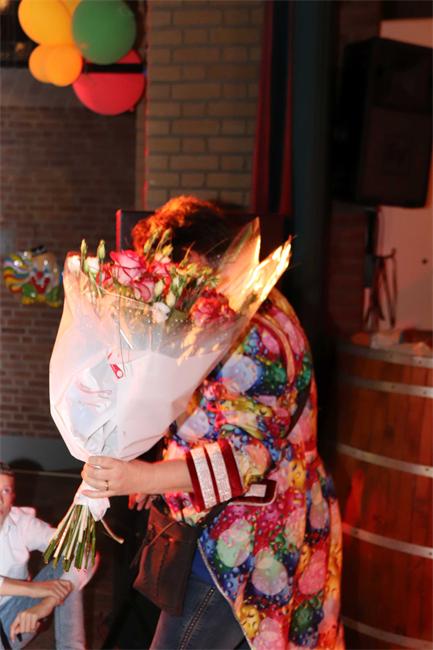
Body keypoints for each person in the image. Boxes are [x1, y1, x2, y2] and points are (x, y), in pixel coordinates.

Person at [82, 196, 344, 649]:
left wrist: (141, 475)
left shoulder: (249, 331)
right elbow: (217, 413)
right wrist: (162, 473)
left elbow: (244, 458)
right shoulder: (252, 304)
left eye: (169, 271)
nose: (168, 286)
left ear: (197, 258)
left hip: (243, 539)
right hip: (255, 525)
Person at [0, 463, 96, 650]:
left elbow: (85, 550)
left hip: (17, 613)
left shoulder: (22, 524)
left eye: (5, 490)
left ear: (13, 497)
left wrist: (49, 602)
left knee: (70, 563)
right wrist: (36, 590)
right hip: (22, 603)